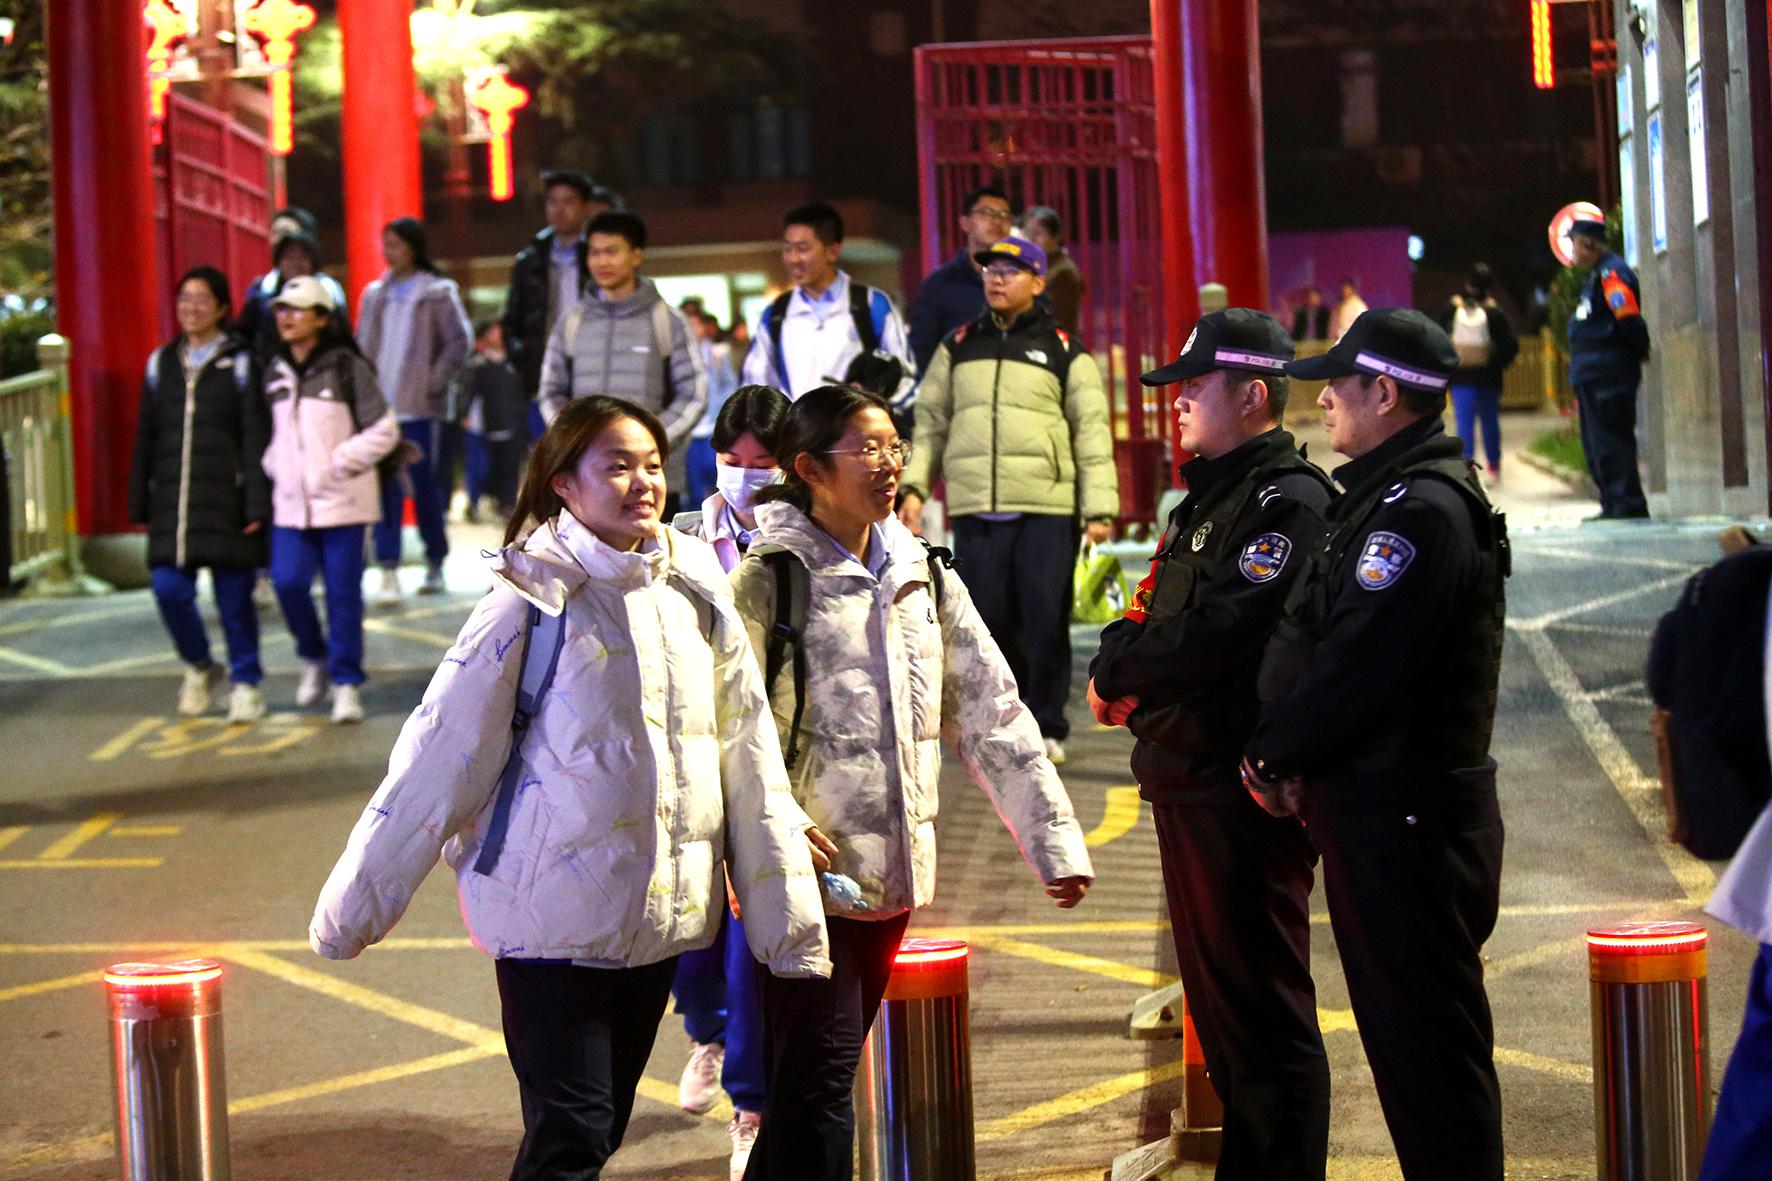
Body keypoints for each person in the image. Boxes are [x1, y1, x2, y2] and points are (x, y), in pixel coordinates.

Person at [309, 396, 832, 1180]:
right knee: (573, 1133)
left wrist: (781, 893)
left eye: (651, 464)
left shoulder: (695, 585)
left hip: (657, 917)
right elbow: (438, 758)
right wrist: (356, 905)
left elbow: (746, 748)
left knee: (598, 1125)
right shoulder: (528, 598)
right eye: (617, 466)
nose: (642, 482)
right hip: (547, 914)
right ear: (563, 482)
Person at [730, 384, 1094, 1178]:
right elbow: (727, 732)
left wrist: (1054, 843)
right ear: (808, 469)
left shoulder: (921, 570)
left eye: (894, 445)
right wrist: (770, 833)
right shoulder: (768, 581)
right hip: (805, 875)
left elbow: (993, 710)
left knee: (809, 1088)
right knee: (820, 1083)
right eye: (866, 448)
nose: (889, 463)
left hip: (892, 876)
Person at [1244, 308, 1510, 1181]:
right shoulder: (1393, 495)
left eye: (1337, 385)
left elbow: (1359, 665)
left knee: (1431, 1064)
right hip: (1391, 816)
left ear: (1385, 393)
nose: (1321, 400)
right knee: (1415, 1055)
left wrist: (1272, 752)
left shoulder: (1419, 513)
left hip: (1408, 823)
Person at [1088, 309, 1334, 1180]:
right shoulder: (1211, 496)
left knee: (1264, 1019)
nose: (1178, 400)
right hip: (1183, 775)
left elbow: (1223, 630)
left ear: (1253, 394)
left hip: (1236, 790)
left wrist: (1123, 672)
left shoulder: (1288, 501)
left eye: (1195, 384)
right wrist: (1117, 661)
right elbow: (1153, 605)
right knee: (1227, 1023)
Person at [897, 234, 1119, 765]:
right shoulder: (957, 344)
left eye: (1011, 271)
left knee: (1045, 621)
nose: (997, 278)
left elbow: (1091, 430)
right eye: (991, 269)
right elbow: (930, 423)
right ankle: (1002, 721)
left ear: (1038, 283)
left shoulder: (1064, 349)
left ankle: (1049, 724)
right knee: (987, 622)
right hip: (976, 506)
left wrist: (1099, 508)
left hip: (1047, 505)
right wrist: (914, 486)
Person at [669, 383, 790, 1180]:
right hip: (688, 764)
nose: (746, 473)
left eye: (763, 459)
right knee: (692, 933)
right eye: (731, 458)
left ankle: (750, 1105)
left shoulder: (802, 545)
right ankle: (706, 1036)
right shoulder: (678, 538)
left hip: (769, 765)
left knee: (751, 949)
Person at [128, 266, 272, 724]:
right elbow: (146, 436)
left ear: (223, 308)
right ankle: (199, 665)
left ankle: (246, 683)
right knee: (168, 591)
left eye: (202, 299)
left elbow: (255, 436)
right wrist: (139, 498)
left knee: (234, 601)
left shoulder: (242, 362)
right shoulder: (161, 363)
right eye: (184, 298)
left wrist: (257, 500)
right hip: (173, 503)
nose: (191, 308)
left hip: (228, 501)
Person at [261, 276, 401, 724]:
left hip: (344, 502)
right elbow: (271, 434)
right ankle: (314, 656)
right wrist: (274, 465)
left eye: (296, 309)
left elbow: (385, 430)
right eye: (281, 309)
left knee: (343, 596)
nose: (286, 317)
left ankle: (345, 682)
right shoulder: (274, 370)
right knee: (287, 584)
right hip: (291, 505)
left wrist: (339, 462)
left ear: (322, 318)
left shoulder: (347, 367)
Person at [539, 210, 707, 518]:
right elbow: (550, 392)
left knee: (653, 550)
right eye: (594, 253)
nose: (602, 262)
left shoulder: (667, 320)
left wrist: (649, 440)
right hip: (587, 477)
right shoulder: (572, 322)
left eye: (612, 251)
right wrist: (574, 439)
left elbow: (694, 394)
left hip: (651, 482)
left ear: (636, 255)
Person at [356, 217, 473, 603]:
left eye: (396, 244)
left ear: (414, 247)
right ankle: (388, 567)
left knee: (425, 489)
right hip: (381, 412)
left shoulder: (437, 292)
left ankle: (434, 560)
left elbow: (459, 342)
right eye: (385, 244)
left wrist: (434, 382)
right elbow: (361, 348)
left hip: (421, 411)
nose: (389, 252)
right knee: (384, 490)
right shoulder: (375, 294)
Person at [739, 202, 914, 411]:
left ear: (833, 251)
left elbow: (906, 377)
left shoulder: (870, 305)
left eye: (802, 249)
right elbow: (753, 384)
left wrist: (873, 412)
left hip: (857, 430)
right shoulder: (776, 314)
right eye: (787, 249)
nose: (793, 258)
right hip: (798, 430)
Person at [500, 171, 617, 440]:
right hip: (544, 376)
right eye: (553, 201)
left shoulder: (602, 256)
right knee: (549, 454)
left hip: (595, 374)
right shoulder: (530, 260)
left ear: (586, 207)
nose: (559, 209)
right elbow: (512, 319)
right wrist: (523, 361)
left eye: (568, 201)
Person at [1567, 216, 1651, 519]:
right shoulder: (1596, 276)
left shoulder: (1612, 274)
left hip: (1608, 373)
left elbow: (1627, 317)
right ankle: (1612, 503)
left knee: (1612, 441)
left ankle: (1626, 504)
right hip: (1593, 372)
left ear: (1589, 244)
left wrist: (1639, 350)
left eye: (1575, 244)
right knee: (1597, 443)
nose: (1573, 252)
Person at [906, 185, 1014, 375]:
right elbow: (921, 350)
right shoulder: (939, 284)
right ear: (965, 223)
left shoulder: (1023, 282)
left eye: (1004, 215)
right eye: (986, 213)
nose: (997, 220)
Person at [1437, 263, 1519, 484]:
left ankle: (1467, 470)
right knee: (1490, 422)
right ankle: (1494, 467)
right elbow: (1511, 346)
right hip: (1489, 378)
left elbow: (1438, 337)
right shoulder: (1495, 313)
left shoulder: (1453, 308)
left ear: (1467, 283)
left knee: (1464, 424)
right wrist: (1496, 362)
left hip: (1462, 377)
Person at [235, 232, 349, 367]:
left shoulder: (328, 294)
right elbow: (242, 335)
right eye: (289, 257)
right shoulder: (262, 294)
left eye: (303, 258)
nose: (296, 264)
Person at [454, 320, 528, 523]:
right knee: (479, 467)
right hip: (483, 428)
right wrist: (464, 414)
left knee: (509, 468)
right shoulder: (477, 366)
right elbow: (466, 394)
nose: (499, 335)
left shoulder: (514, 366)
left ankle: (507, 505)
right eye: (494, 331)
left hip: (510, 425)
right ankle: (474, 503)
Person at [686, 311, 742, 507]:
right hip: (690, 430)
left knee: (719, 479)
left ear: (703, 327)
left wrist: (724, 414)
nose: (692, 330)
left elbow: (730, 384)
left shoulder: (717, 353)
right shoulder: (680, 354)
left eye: (695, 325)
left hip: (713, 425)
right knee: (694, 487)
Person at [1019, 205, 1084, 336]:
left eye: (1038, 233)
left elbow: (1060, 321)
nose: (1030, 240)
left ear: (1055, 236)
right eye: (1026, 233)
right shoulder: (1035, 267)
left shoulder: (1063, 272)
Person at [1329, 277, 1367, 342]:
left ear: (1352, 289)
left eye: (1346, 288)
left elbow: (1362, 324)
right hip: (1337, 339)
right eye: (1342, 288)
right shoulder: (1339, 304)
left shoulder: (1358, 305)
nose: (1344, 291)